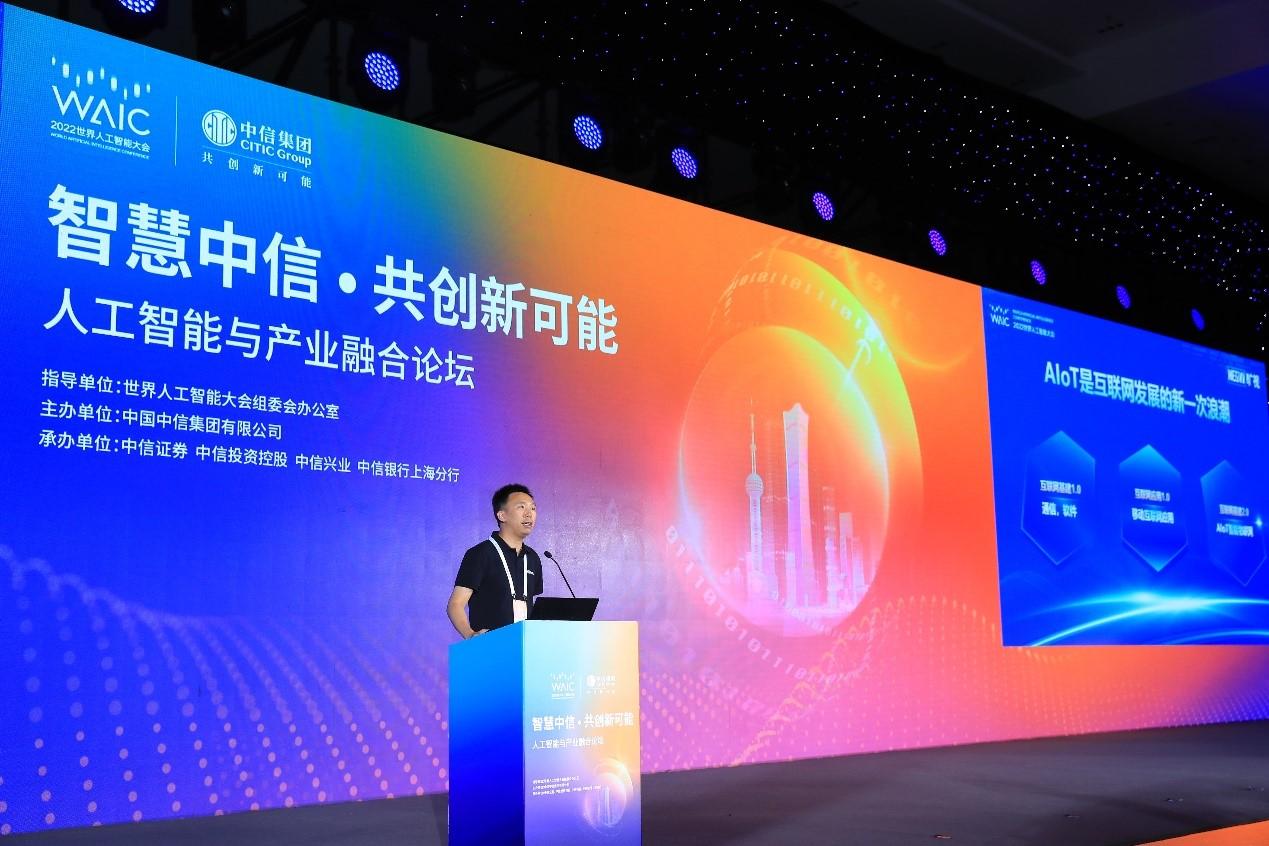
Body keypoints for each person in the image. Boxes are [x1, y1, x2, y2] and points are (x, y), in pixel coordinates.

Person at [446, 483, 544, 638]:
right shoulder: (480, 553)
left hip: (524, 645)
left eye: (533, 508)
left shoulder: (532, 558)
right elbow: (455, 604)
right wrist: (470, 635)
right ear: (502, 515)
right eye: (521, 507)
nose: (529, 514)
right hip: (490, 645)